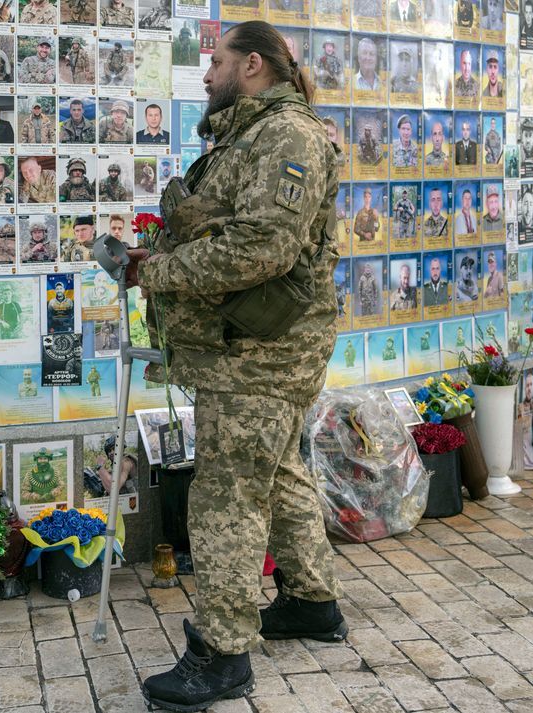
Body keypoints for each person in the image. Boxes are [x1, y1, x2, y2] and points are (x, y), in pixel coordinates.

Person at [124, 23, 346, 710]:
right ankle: (312, 602)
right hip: (250, 345)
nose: (205, 74)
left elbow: (264, 249)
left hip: (263, 351)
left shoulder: (288, 136)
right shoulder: (250, 134)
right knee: (275, 473)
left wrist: (160, 272)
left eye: (214, 62)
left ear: (252, 65)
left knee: (225, 493)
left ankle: (222, 654)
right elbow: (226, 229)